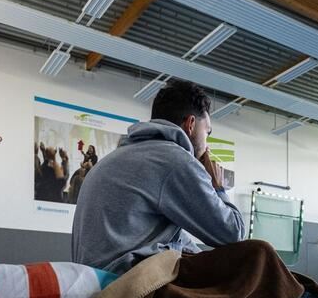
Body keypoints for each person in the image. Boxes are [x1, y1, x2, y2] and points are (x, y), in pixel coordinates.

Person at [71, 80, 245, 274]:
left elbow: (174, 239)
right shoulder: (177, 162)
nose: (207, 146)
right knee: (259, 254)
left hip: (94, 280)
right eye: (207, 133)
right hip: (125, 284)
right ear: (190, 124)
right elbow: (233, 234)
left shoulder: (112, 159)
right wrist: (218, 187)